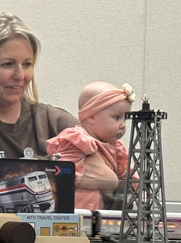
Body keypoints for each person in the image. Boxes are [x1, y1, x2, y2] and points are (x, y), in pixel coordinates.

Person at [0, 13, 77, 159]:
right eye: (8, 64)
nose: (20, 76)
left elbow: (103, 164)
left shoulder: (58, 125)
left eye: (27, 64)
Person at [46, 81, 135, 209]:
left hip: (102, 212)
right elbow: (64, 172)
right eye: (116, 118)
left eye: (124, 119)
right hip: (76, 210)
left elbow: (127, 173)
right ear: (91, 116)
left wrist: (136, 185)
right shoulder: (77, 139)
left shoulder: (116, 146)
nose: (123, 125)